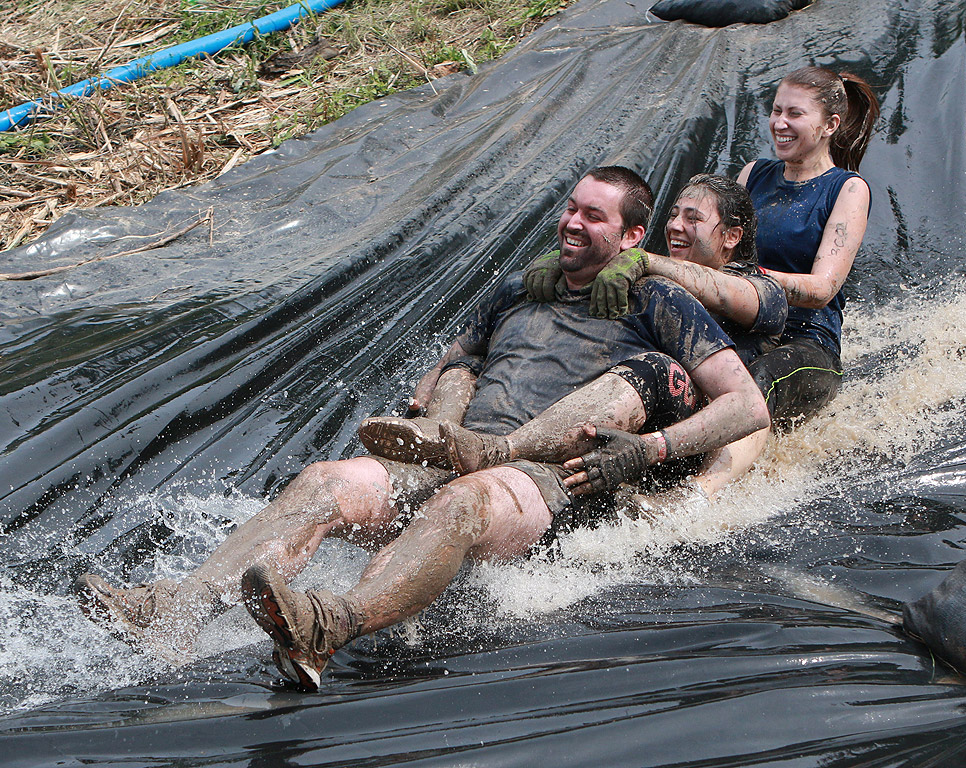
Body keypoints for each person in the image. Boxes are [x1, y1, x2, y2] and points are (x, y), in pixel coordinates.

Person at [76, 167, 769, 689]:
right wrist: (437, 406)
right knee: (325, 481)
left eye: (592, 215)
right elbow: (453, 360)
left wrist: (654, 449)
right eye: (568, 207)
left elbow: (746, 405)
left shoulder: (660, 301)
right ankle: (175, 613)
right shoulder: (517, 289)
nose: (570, 222)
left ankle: (326, 628)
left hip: (543, 476)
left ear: (632, 235)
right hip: (450, 445)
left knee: (459, 503)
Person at [363, 174, 786, 501]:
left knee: (739, 382)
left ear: (731, 237)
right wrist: (572, 265)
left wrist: (637, 260)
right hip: (629, 409)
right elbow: (467, 348)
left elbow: (727, 306)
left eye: (692, 219)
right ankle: (439, 441)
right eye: (673, 215)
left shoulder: (756, 288)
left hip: (700, 409)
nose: (676, 226)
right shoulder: (640, 273)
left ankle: (700, 494)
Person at [739, 65, 879, 426]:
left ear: (829, 125)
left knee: (756, 379)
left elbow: (821, 290)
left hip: (807, 343)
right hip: (743, 325)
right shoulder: (752, 174)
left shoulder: (848, 189)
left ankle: (709, 483)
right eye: (776, 110)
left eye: (795, 114)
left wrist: (747, 277)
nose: (780, 123)